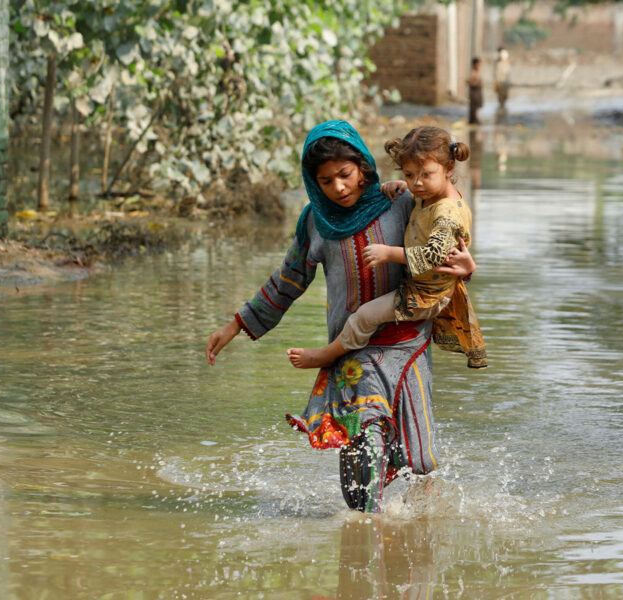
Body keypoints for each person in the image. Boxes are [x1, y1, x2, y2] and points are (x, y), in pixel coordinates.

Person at [204, 121, 475, 513]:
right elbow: (288, 279)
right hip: (351, 351)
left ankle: (419, 547)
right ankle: (364, 541)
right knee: (363, 457)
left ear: (364, 167)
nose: (339, 188)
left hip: (408, 345)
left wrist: (468, 267)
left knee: (421, 463)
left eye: (345, 175)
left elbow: (445, 254)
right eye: (326, 181)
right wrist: (236, 324)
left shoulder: (403, 202)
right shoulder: (316, 222)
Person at [288, 126, 486, 371]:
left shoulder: (447, 212)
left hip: (425, 294)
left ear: (449, 169)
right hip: (424, 288)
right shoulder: (426, 197)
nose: (417, 183)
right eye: (410, 175)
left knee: (364, 316)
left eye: (425, 174)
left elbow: (433, 256)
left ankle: (327, 355)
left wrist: (388, 253)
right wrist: (403, 184)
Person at [494, 47, 512, 114]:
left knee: (504, 95)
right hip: (501, 82)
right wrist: (497, 82)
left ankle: (503, 106)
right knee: (500, 95)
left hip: (505, 82)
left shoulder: (506, 64)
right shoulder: (499, 64)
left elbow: (507, 73)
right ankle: (501, 106)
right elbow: (497, 74)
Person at [467, 57, 483, 125]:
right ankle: (473, 120)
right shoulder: (473, 72)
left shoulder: (477, 71)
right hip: (474, 91)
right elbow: (469, 81)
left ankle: (474, 119)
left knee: (476, 106)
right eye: (478, 63)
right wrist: (474, 83)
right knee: (473, 106)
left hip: (477, 91)